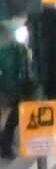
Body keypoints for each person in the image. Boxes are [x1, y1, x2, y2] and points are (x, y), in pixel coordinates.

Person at [0, 25, 32, 160]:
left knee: (7, 117)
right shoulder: (19, 50)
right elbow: (26, 71)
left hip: (6, 89)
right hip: (16, 89)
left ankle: (5, 145)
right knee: (12, 119)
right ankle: (6, 146)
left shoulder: (10, 51)